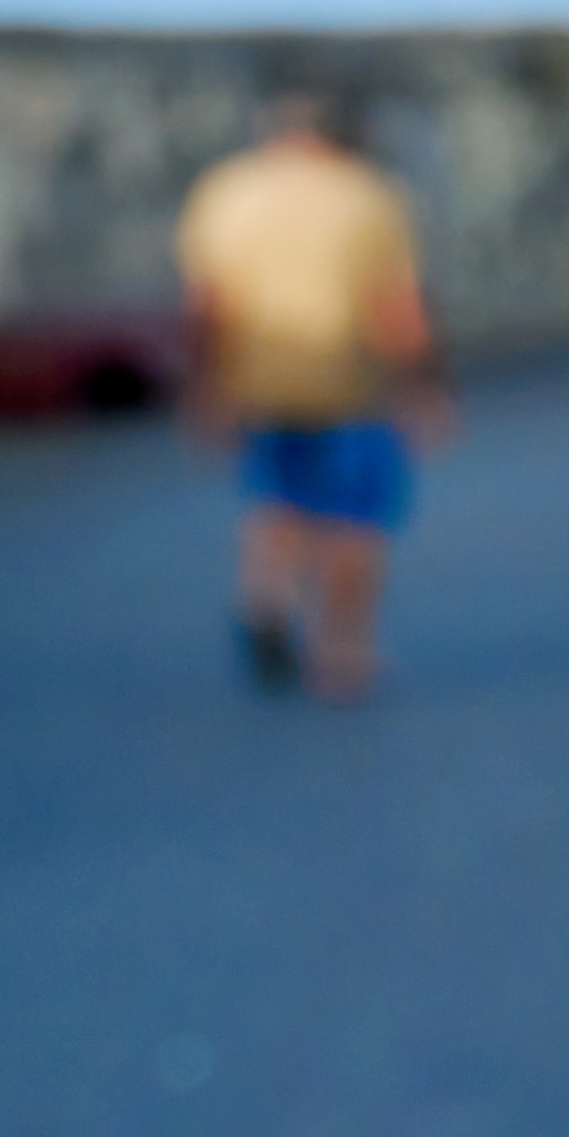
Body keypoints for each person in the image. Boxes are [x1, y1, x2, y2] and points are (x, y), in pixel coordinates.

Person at [176, 89, 444, 699]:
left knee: (278, 500)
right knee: (355, 520)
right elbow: (396, 304)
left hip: (258, 381)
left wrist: (202, 387)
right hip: (352, 384)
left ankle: (266, 598)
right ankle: (341, 650)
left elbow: (208, 304)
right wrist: (423, 386)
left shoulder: (226, 192)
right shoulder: (368, 195)